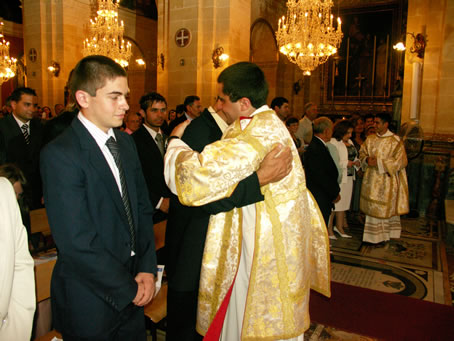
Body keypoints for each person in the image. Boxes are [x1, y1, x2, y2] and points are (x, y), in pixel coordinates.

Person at [165, 62, 330, 340]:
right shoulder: (266, 125)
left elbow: (194, 177)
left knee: (248, 324)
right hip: (269, 242)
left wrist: (175, 144)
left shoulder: (256, 135)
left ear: (243, 102)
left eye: (222, 99)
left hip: (257, 252)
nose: (217, 106)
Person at [40, 55, 157, 340]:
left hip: (132, 281)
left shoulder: (126, 142)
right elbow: (76, 241)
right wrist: (128, 289)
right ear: (84, 98)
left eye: (126, 96)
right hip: (90, 295)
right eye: (115, 96)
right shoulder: (61, 154)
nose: (127, 106)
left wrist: (146, 269)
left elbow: (141, 209)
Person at [165, 96, 291, 341]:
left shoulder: (241, 132)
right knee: (187, 322)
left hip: (223, 242)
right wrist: (174, 143)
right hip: (195, 240)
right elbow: (196, 189)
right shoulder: (201, 131)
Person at [359, 113, 409, 244]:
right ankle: (373, 237)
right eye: (374, 122)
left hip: (387, 180)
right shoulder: (370, 139)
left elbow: (401, 161)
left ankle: (386, 235)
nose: (374, 125)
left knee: (384, 208)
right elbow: (362, 152)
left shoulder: (395, 141)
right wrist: (366, 159)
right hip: (371, 179)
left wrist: (380, 163)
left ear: (386, 124)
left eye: (377, 123)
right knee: (372, 207)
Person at [0, 177, 36, 341]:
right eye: (16, 193)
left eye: (19, 195)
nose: (16, 198)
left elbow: (20, 266)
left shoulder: (3, 191)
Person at [0, 87, 44, 209]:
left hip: (36, 194)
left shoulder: (40, 127)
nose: (32, 109)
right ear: (14, 105)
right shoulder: (2, 128)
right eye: (27, 105)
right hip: (11, 192)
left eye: (34, 105)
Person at [132, 92, 171, 224]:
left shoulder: (169, 138)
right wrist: (159, 202)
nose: (160, 115)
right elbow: (133, 179)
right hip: (148, 211)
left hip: (172, 210)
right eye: (154, 110)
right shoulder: (133, 141)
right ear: (142, 113)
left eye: (163, 110)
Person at [304, 117, 341, 227]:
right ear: (326, 131)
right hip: (319, 196)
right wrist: (334, 193)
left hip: (322, 195)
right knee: (319, 227)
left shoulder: (319, 145)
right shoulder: (316, 149)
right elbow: (321, 176)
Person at [328, 120, 360, 239]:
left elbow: (354, 155)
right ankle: (329, 228)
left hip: (350, 176)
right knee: (335, 203)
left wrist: (357, 162)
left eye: (351, 133)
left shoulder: (350, 142)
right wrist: (346, 163)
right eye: (348, 133)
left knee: (344, 203)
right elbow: (332, 160)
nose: (350, 135)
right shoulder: (333, 142)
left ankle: (339, 227)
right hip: (340, 177)